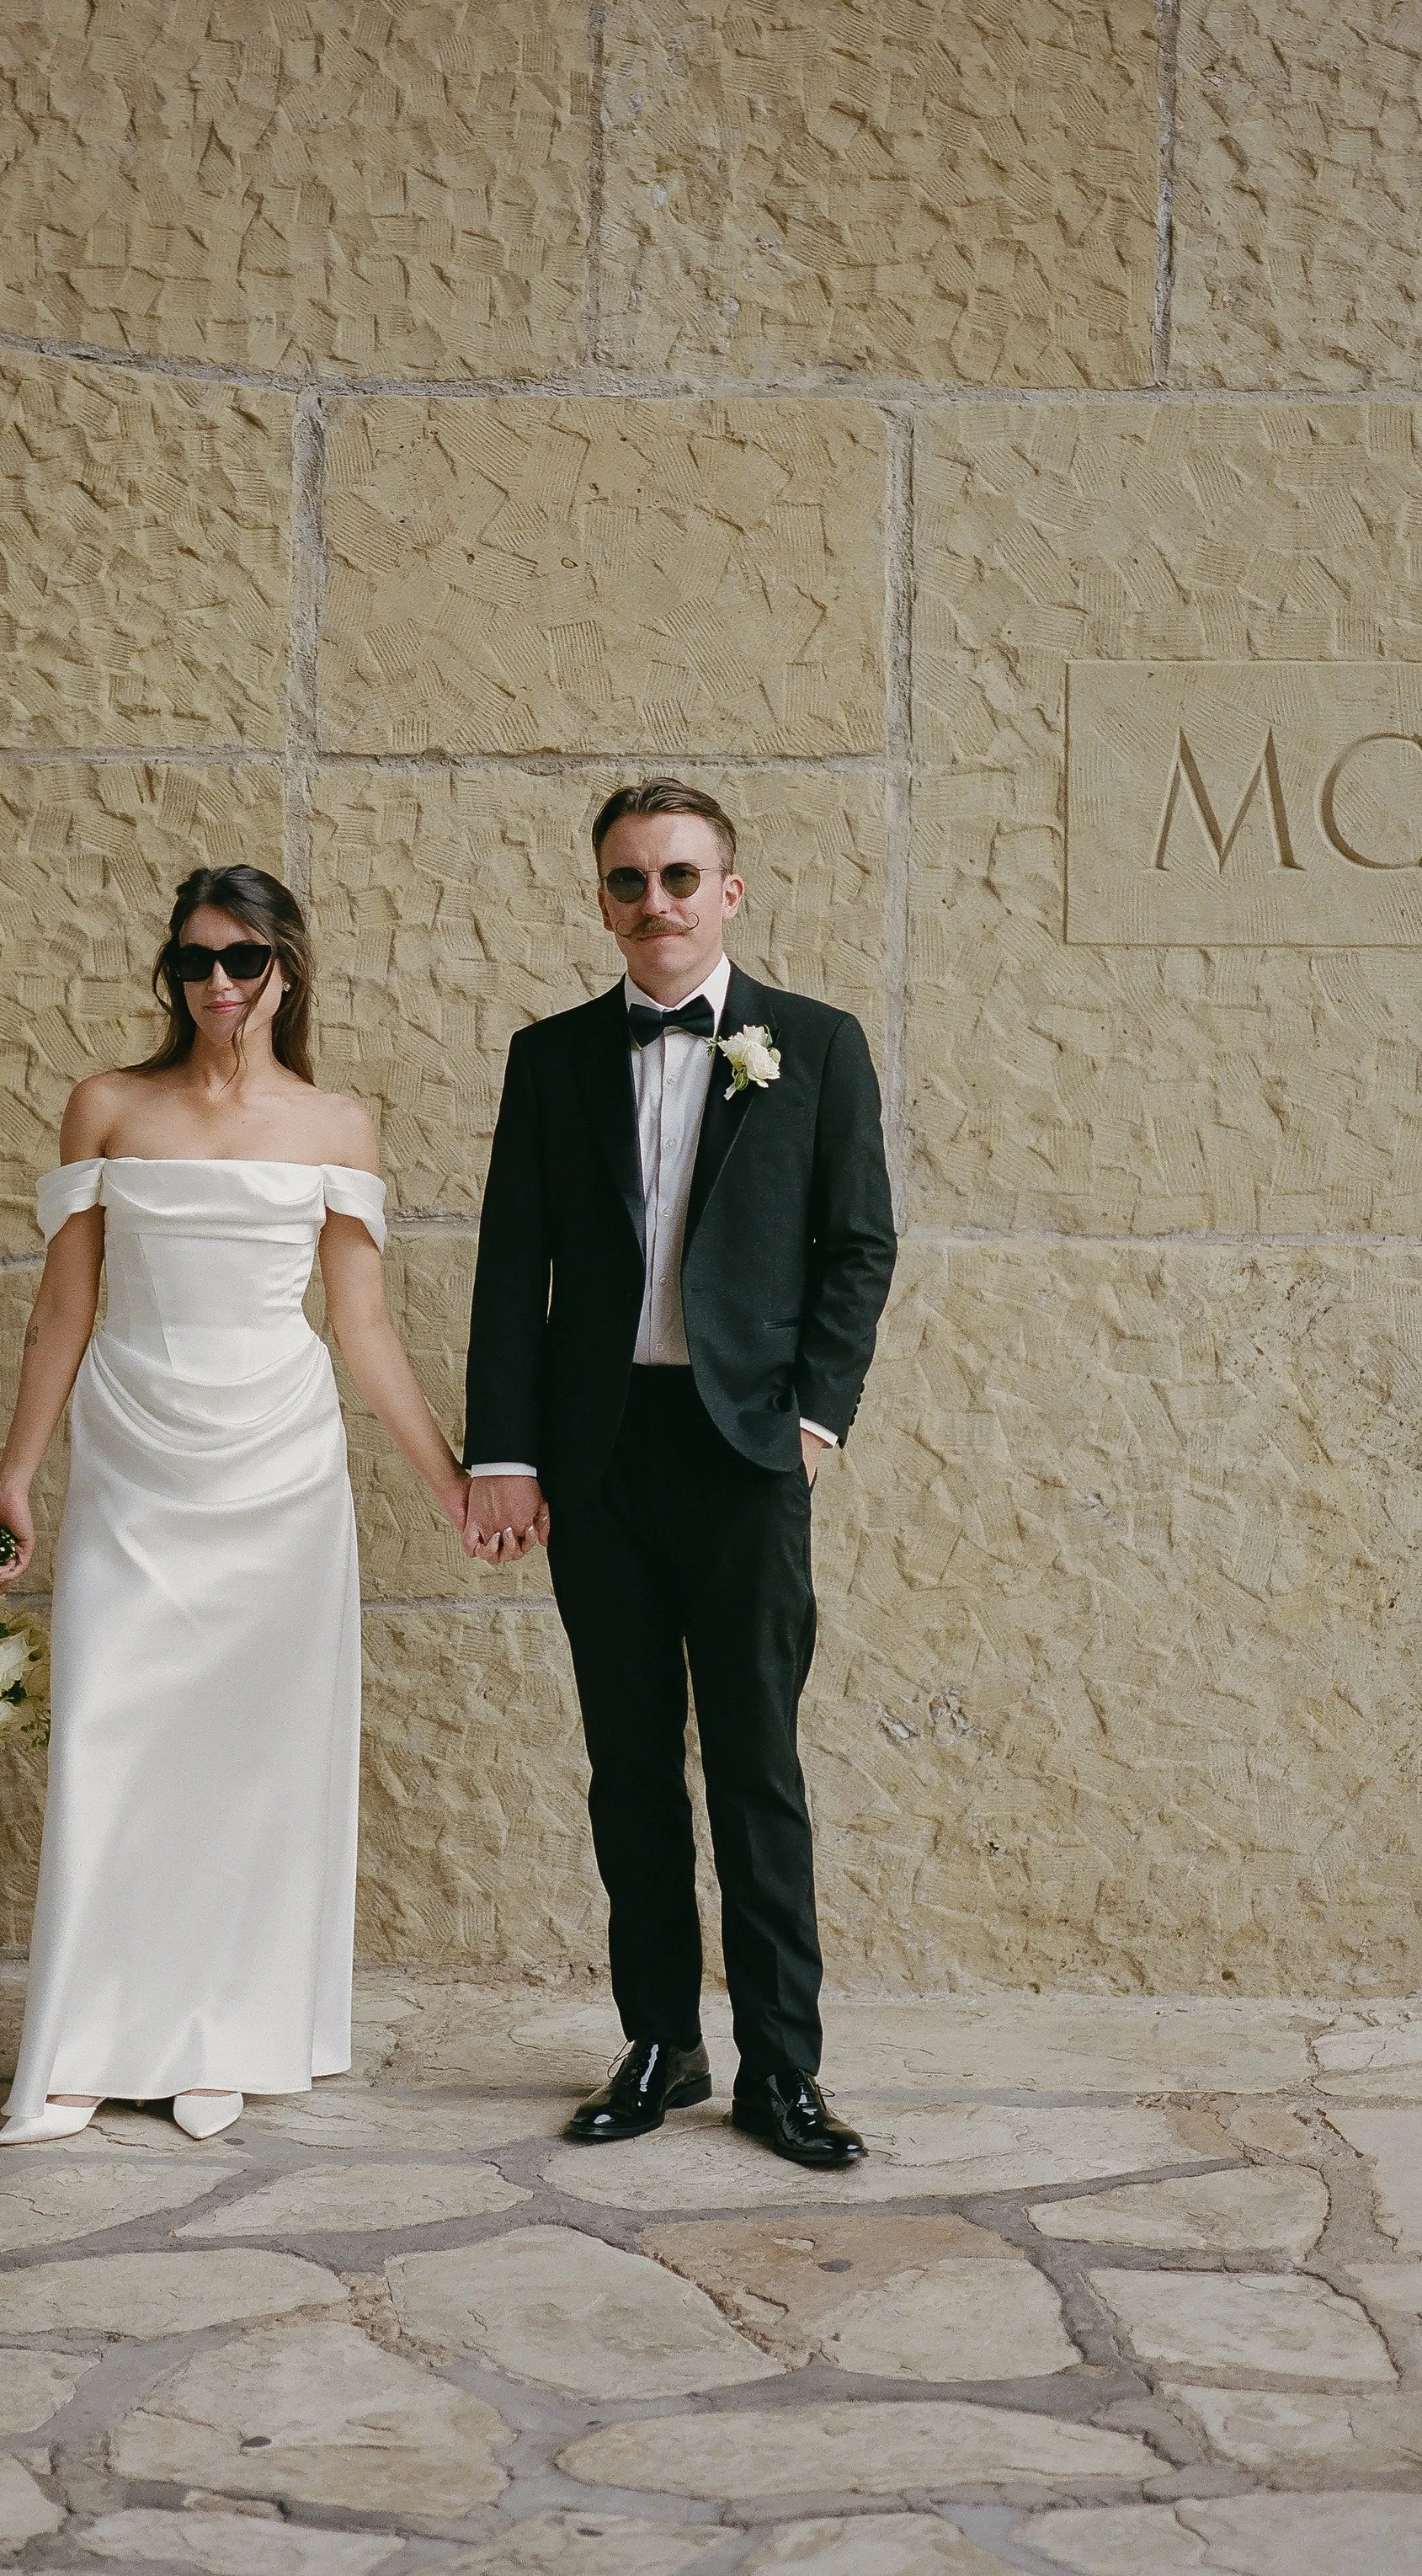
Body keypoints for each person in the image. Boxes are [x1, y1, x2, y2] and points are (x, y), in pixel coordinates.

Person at [0, 862, 524, 2145]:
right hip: (135, 1457)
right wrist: (14, 1474)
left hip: (277, 1463)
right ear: (173, 974)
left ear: (286, 971)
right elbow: (66, 1305)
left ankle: (222, 2030)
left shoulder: (338, 1127)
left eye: (243, 961)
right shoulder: (107, 1107)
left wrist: (446, 1477)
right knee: (111, 1736)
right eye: (196, 962)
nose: (218, 985)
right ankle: (83, 2042)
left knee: (244, 1759)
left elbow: (363, 1324)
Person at [462, 778, 897, 2168]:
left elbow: (858, 1247)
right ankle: (660, 2038)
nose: (655, 903)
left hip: (747, 1456)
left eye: (680, 877)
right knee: (629, 1766)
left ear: (731, 893)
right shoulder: (551, 1057)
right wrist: (509, 1456)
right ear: (603, 898)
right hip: (598, 1462)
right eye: (629, 880)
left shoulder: (815, 1046)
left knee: (759, 1768)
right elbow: (507, 1275)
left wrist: (815, 1423)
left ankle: (783, 2069)